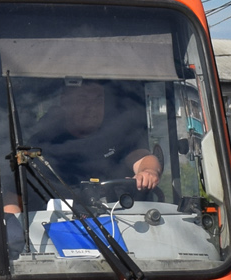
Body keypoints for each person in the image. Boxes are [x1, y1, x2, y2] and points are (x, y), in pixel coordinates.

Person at [25, 80, 160, 194]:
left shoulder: (116, 135)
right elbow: (14, 196)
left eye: (98, 100)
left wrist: (148, 171)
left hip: (116, 218)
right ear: (65, 102)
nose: (92, 107)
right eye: (83, 100)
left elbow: (142, 157)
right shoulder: (43, 144)